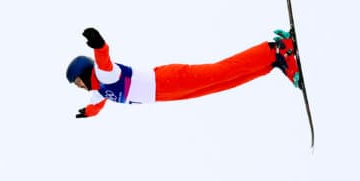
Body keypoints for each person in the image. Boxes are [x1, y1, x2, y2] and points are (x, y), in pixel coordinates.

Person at [66, 27, 300, 119]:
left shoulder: (103, 76)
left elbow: (104, 59)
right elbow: (95, 104)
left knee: (220, 72)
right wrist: (87, 113)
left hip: (166, 80)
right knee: (220, 84)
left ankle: (276, 49)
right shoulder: (100, 90)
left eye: (77, 82)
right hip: (166, 93)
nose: (79, 87)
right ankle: (273, 62)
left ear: (83, 72)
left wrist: (98, 45)